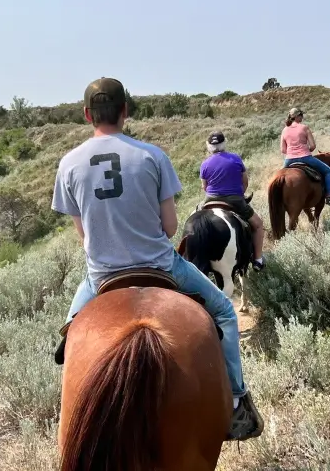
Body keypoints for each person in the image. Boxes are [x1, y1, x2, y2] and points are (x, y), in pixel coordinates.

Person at [51, 77, 263, 441]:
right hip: (162, 266)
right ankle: (236, 403)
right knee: (226, 313)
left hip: (101, 276)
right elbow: (168, 228)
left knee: (69, 339)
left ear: (87, 115)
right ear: (125, 111)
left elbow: (83, 235)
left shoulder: (69, 164)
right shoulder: (152, 156)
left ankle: (70, 419)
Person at [200, 131, 266, 270]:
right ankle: (258, 260)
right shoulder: (235, 159)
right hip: (235, 200)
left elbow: (204, 187)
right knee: (258, 225)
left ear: (209, 146)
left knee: (195, 217)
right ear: (224, 143)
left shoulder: (205, 164)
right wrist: (239, 194)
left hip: (210, 198)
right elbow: (245, 182)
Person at [280, 107, 330, 206]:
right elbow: (313, 146)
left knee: (280, 177)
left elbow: (283, 150)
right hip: (305, 157)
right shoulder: (304, 127)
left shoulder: (284, 130)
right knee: (328, 170)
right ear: (298, 116)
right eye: (301, 115)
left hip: (289, 159)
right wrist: (307, 150)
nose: (302, 117)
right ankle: (329, 196)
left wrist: (292, 153)